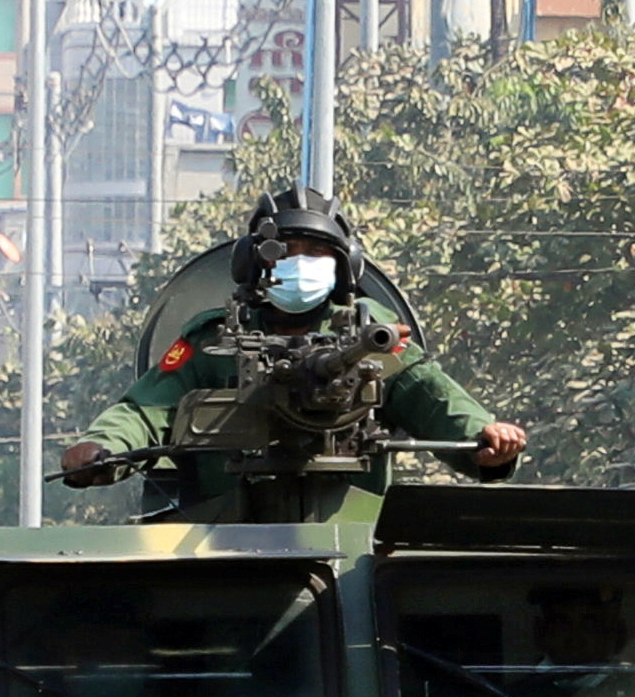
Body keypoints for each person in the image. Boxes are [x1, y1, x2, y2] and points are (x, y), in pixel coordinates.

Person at [58, 186, 525, 520]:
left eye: (318, 253)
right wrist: (103, 450)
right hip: (223, 542)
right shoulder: (212, 341)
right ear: (254, 263)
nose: (301, 264)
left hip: (350, 541)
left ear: (345, 266)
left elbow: (433, 396)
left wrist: (488, 442)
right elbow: (144, 410)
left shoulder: (372, 337)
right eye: (286, 251)